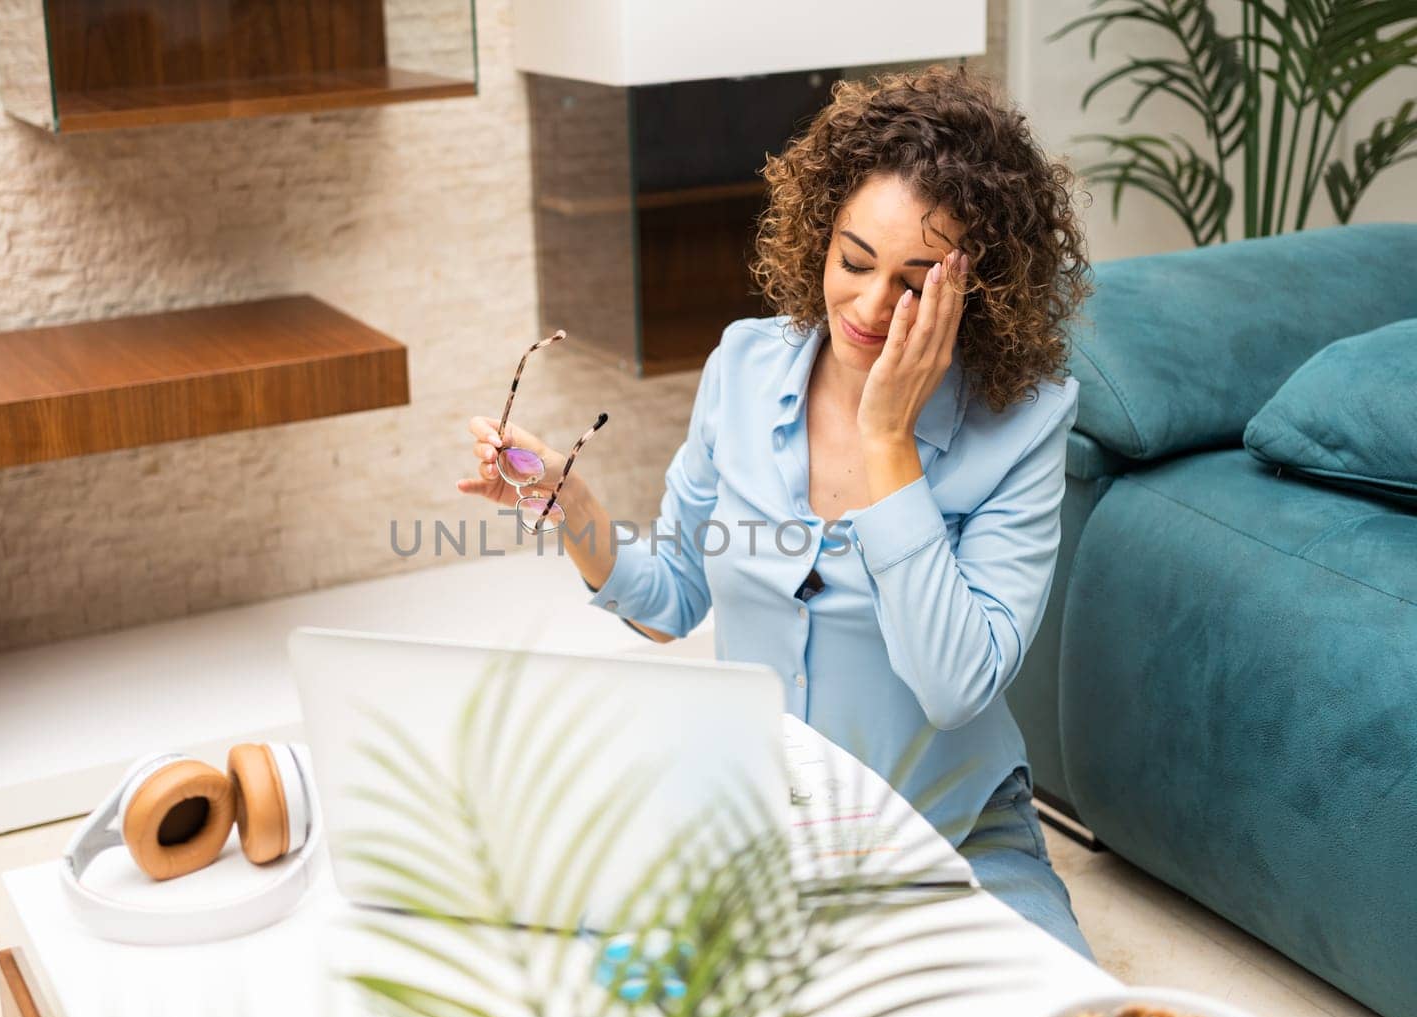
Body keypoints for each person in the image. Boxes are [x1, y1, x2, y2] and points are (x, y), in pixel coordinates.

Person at [457, 66, 1095, 959]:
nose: (870, 309)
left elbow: (956, 688)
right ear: (819, 239)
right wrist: (572, 499)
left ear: (976, 287)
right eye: (854, 261)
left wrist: (888, 444)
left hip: (948, 826)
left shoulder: (1023, 424)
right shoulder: (745, 367)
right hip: (762, 817)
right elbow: (670, 598)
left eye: (915, 283)